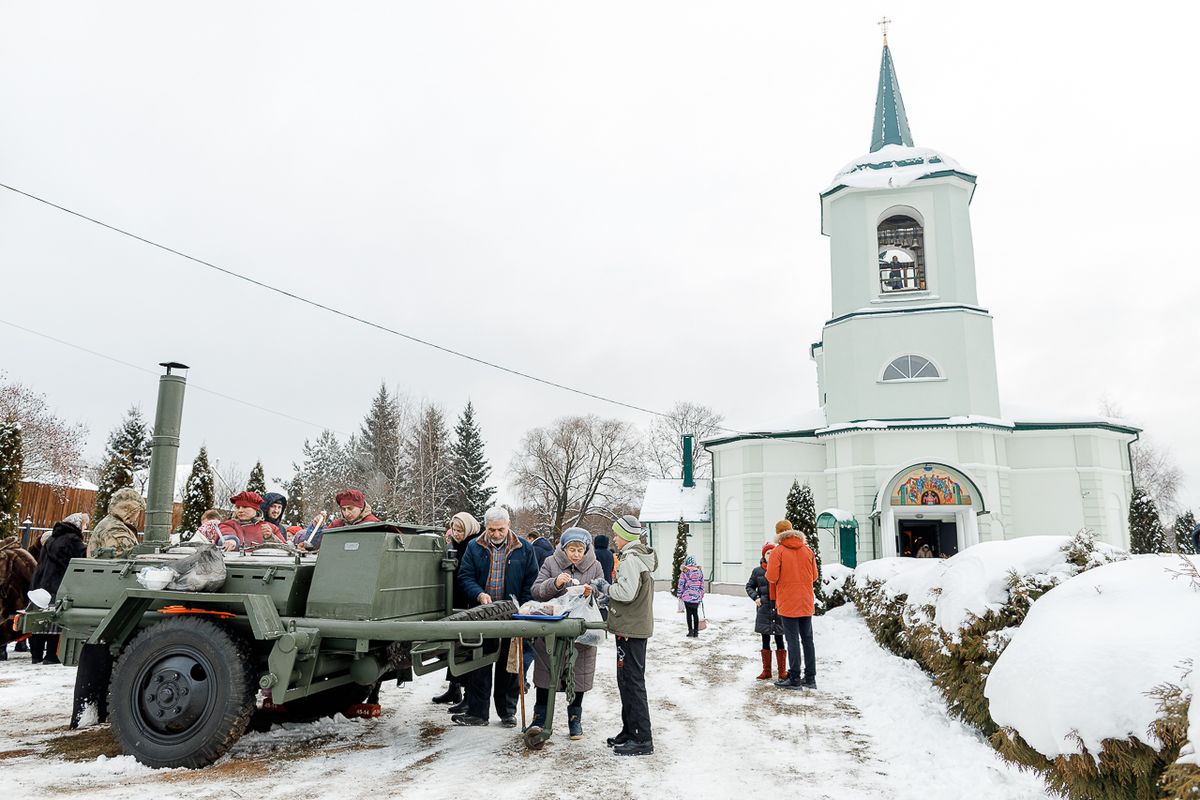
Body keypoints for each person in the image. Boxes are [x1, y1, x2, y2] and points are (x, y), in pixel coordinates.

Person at [453, 506, 538, 728]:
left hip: (513, 615)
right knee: (479, 664)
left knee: (509, 666)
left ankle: (507, 712)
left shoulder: (524, 548)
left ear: (509, 525)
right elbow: (465, 576)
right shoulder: (474, 546)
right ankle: (477, 713)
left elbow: (532, 580)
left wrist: (523, 605)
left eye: (501, 529)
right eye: (492, 530)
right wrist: (479, 594)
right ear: (486, 527)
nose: (497, 534)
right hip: (482, 614)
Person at [529, 527, 602, 739]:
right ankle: (539, 718)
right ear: (564, 548)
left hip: (581, 629)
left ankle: (574, 720)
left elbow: (603, 590)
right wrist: (555, 583)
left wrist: (592, 591)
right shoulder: (550, 563)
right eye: (572, 549)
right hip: (552, 628)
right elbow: (536, 590)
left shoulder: (594, 565)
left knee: (578, 674)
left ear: (586, 550)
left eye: (580, 549)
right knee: (545, 674)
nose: (576, 554)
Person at [606, 514, 656, 756]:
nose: (614, 538)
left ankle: (641, 738)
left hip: (631, 628)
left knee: (632, 682)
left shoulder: (630, 559)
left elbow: (626, 592)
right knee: (626, 681)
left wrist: (605, 588)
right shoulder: (636, 557)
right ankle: (629, 730)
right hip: (632, 626)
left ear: (625, 536)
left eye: (616, 534)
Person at [433, 511, 481, 709]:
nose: (457, 534)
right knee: (455, 645)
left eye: (461, 530)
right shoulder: (455, 545)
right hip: (455, 599)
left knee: (467, 648)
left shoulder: (475, 545)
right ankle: (454, 688)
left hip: (471, 600)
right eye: (455, 529)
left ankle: (469, 696)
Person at [28, 514, 88, 666]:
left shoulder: (51, 538)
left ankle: (36, 654)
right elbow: (83, 558)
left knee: (40, 617)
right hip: (58, 582)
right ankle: (51, 655)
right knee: (56, 619)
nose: (85, 528)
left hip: (41, 582)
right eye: (85, 524)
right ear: (77, 525)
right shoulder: (72, 540)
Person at [767, 519, 818, 691]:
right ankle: (810, 678)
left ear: (778, 534)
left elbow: (772, 577)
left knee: (792, 639)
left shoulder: (778, 551)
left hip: (788, 602)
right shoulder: (808, 550)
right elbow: (814, 577)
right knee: (807, 639)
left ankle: (795, 677)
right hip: (806, 601)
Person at [746, 543, 786, 680]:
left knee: (780, 638)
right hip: (764, 609)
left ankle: (782, 672)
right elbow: (749, 586)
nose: (770, 555)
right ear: (764, 555)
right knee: (765, 639)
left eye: (772, 553)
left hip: (779, 609)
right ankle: (766, 671)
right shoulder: (757, 571)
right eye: (768, 553)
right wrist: (755, 597)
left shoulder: (782, 569)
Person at [294, 489, 379, 551]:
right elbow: (316, 545)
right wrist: (317, 527)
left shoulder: (373, 524)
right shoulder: (337, 525)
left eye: (350, 508)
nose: (346, 513)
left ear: (361, 507)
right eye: (343, 509)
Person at [0, 535, 37, 662]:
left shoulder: (6, 554)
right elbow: (33, 573)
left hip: (9, 592)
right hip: (21, 592)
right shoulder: (21, 553)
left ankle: (2, 652)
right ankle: (19, 645)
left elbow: (2, 577)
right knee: (15, 622)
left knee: (6, 621)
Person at [217, 492, 283, 551]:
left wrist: (271, 538)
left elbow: (287, 549)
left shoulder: (271, 527)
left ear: (256, 509)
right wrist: (232, 541)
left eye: (245, 507)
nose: (240, 510)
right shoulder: (229, 524)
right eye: (237, 507)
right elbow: (225, 533)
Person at [88, 488, 143, 558]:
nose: (138, 515)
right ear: (129, 509)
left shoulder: (111, 522)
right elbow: (127, 558)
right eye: (138, 511)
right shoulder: (115, 529)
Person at [676, 555, 705, 637]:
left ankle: (690, 631)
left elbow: (681, 584)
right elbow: (702, 585)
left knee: (689, 614)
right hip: (696, 596)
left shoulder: (685, 572)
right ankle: (696, 632)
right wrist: (701, 594)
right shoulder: (700, 572)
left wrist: (679, 594)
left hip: (687, 596)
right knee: (695, 613)